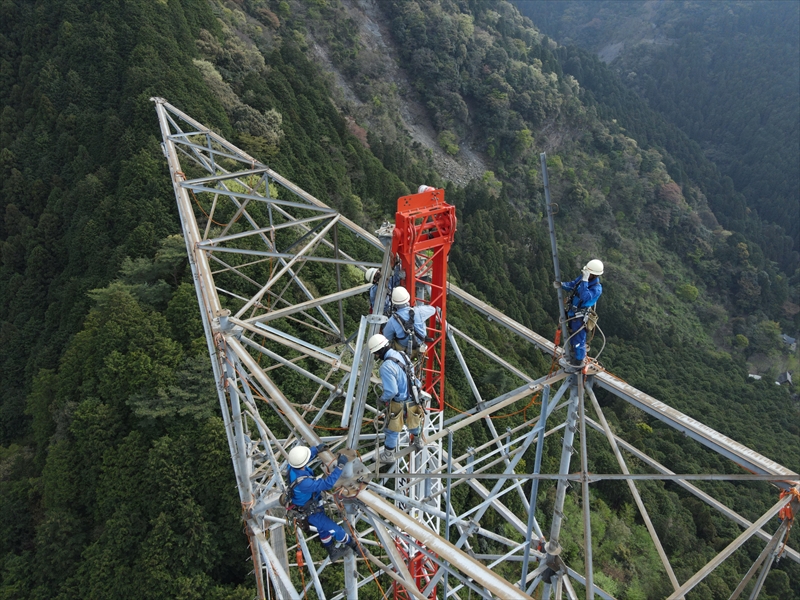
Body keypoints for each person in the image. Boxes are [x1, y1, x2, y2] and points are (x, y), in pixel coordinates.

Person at [287, 444, 358, 561]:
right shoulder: (304, 483)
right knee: (337, 530)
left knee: (323, 529)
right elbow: (327, 484)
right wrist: (340, 466)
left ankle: (332, 551)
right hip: (311, 512)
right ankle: (353, 545)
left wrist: (316, 450)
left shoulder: (292, 467)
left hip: (310, 505)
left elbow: (302, 459)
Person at [368, 333, 430, 463]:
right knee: (414, 422)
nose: (376, 356)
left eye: (376, 354)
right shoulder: (402, 355)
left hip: (399, 401)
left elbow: (391, 391)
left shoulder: (385, 367)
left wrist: (383, 399)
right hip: (413, 396)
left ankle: (389, 455)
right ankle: (418, 441)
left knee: (392, 428)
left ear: (378, 351)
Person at [557, 259, 603, 368]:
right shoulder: (583, 279)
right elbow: (573, 285)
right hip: (573, 313)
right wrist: (561, 285)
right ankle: (573, 354)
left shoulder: (596, 288)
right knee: (572, 335)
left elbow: (584, 296)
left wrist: (585, 281)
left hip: (580, 317)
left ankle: (578, 361)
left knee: (579, 339)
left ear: (593, 275)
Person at [382, 286, 437, 356]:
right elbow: (433, 310)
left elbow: (386, 337)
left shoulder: (392, 320)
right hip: (419, 346)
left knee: (392, 339)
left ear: (394, 303)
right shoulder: (418, 311)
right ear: (407, 299)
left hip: (403, 349)